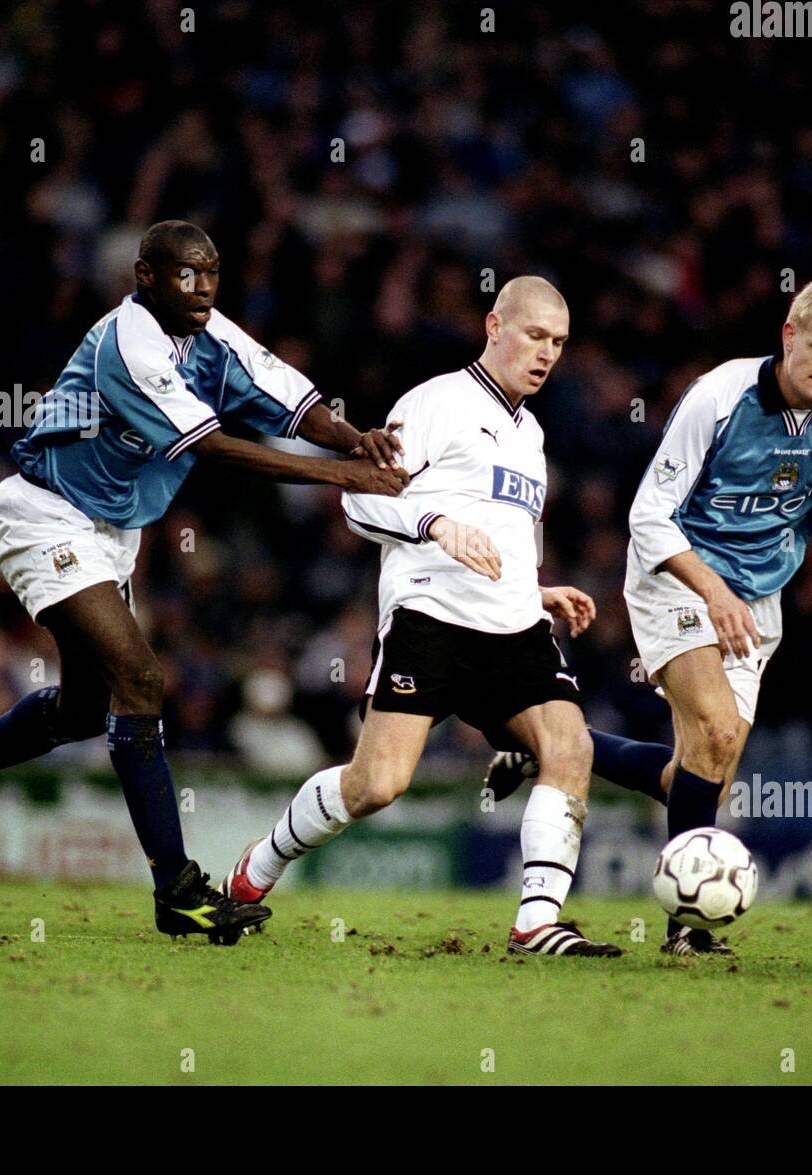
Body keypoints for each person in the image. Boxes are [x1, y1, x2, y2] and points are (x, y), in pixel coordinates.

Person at [0, 220, 407, 945]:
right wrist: (346, 477)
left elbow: (291, 402)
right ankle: (177, 889)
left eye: (211, 273)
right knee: (141, 679)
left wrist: (356, 437)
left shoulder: (210, 332)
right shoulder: (129, 344)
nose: (201, 286)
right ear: (145, 275)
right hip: (46, 514)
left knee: (86, 710)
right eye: (185, 274)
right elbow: (214, 447)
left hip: (112, 533)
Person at [485, 272, 812, 957]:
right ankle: (687, 926)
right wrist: (710, 588)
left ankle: (549, 742)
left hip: (756, 601)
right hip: (674, 576)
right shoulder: (720, 396)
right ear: (789, 335)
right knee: (712, 723)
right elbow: (647, 515)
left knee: (700, 767)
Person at [221, 276, 622, 957]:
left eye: (558, 342)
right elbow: (358, 496)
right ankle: (254, 872)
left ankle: (536, 921)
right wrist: (436, 524)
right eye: (534, 335)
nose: (546, 352)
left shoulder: (534, 434)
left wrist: (538, 587)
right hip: (430, 621)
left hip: (515, 630)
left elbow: (506, 533)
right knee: (376, 784)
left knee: (571, 744)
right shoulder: (436, 403)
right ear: (495, 326)